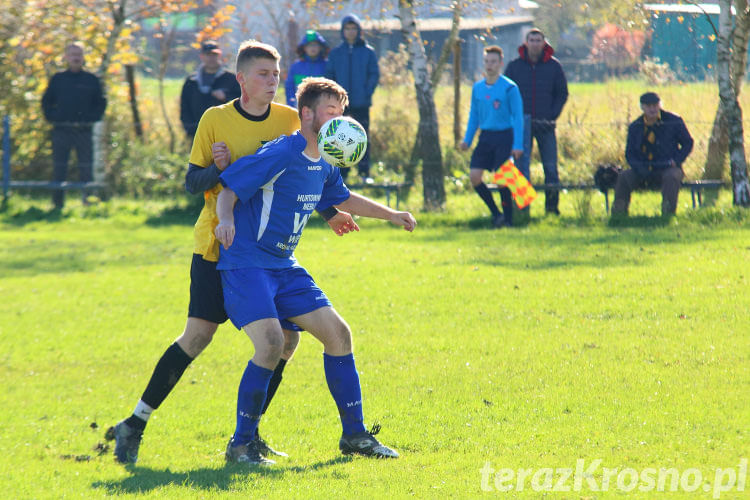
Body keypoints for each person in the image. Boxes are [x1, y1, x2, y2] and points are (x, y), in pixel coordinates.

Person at [106, 41, 359, 465]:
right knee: (198, 337)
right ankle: (135, 422)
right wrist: (218, 168)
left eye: (276, 74)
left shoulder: (289, 120)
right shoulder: (215, 119)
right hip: (216, 245)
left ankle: (248, 437)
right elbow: (193, 182)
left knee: (286, 341)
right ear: (241, 78)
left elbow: (300, 173)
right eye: (263, 73)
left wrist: (331, 211)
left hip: (266, 257)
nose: (272, 81)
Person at [216, 77, 415, 465]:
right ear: (306, 114)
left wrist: (391, 215)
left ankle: (356, 437)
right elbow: (230, 189)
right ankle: (240, 445)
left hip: (284, 266)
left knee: (338, 335)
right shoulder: (283, 151)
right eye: (329, 111)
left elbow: (340, 197)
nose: (338, 119)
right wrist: (225, 221)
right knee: (272, 344)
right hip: (247, 262)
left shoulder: (324, 159)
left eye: (341, 112)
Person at [504, 28, 568, 215]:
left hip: (546, 126)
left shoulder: (554, 66)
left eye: (538, 40)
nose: (534, 43)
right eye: (531, 40)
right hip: (520, 127)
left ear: (543, 43)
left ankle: (552, 209)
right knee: (519, 168)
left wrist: (551, 116)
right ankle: (522, 210)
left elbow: (562, 93)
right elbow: (506, 93)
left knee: (550, 167)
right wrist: (514, 119)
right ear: (526, 43)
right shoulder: (514, 66)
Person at [459, 46, 524, 229]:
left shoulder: (510, 88)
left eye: (493, 61)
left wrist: (518, 144)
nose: (490, 65)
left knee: (503, 179)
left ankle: (509, 221)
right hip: (486, 137)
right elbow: (474, 116)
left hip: (505, 136)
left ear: (500, 63)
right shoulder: (477, 88)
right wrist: (467, 140)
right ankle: (496, 214)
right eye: (487, 61)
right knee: (474, 176)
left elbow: (518, 118)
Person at [41, 42, 107, 209]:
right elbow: (46, 102)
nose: (76, 58)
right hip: (61, 130)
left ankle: (88, 203)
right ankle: (57, 205)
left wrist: (91, 119)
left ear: (83, 57)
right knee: (59, 167)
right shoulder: (58, 79)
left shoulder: (92, 80)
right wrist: (54, 117)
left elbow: (101, 103)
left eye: (78, 54)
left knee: (86, 167)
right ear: (66, 57)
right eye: (72, 55)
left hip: (84, 131)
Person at [612, 92, 694, 217]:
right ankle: (618, 217)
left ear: (660, 105)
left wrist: (676, 161)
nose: (652, 109)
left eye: (655, 105)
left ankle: (667, 214)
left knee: (672, 177)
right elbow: (629, 153)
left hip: (668, 168)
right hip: (643, 170)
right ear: (642, 107)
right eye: (648, 106)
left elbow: (688, 143)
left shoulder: (674, 121)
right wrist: (639, 168)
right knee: (624, 177)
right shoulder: (635, 126)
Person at [325, 14, 379, 182]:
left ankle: (364, 173)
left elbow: (374, 74)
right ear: (343, 31)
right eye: (347, 28)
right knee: (340, 138)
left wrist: (366, 92)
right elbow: (330, 76)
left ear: (359, 30)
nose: (350, 32)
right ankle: (342, 174)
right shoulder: (335, 53)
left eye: (353, 28)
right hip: (341, 105)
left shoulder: (368, 52)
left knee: (363, 137)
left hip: (361, 103)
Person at [179, 40, 241, 140]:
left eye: (214, 54)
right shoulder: (191, 81)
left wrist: (226, 97)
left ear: (220, 55)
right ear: (201, 56)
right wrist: (189, 128)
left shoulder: (231, 78)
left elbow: (243, 102)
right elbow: (184, 107)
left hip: (226, 134)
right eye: (208, 54)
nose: (211, 58)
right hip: (196, 133)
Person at [285, 30, 328, 108]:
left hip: (322, 108)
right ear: (304, 48)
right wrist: (291, 102)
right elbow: (289, 86)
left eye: (315, 45)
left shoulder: (327, 66)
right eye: (309, 45)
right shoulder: (296, 66)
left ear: (321, 47)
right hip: (300, 107)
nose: (312, 48)